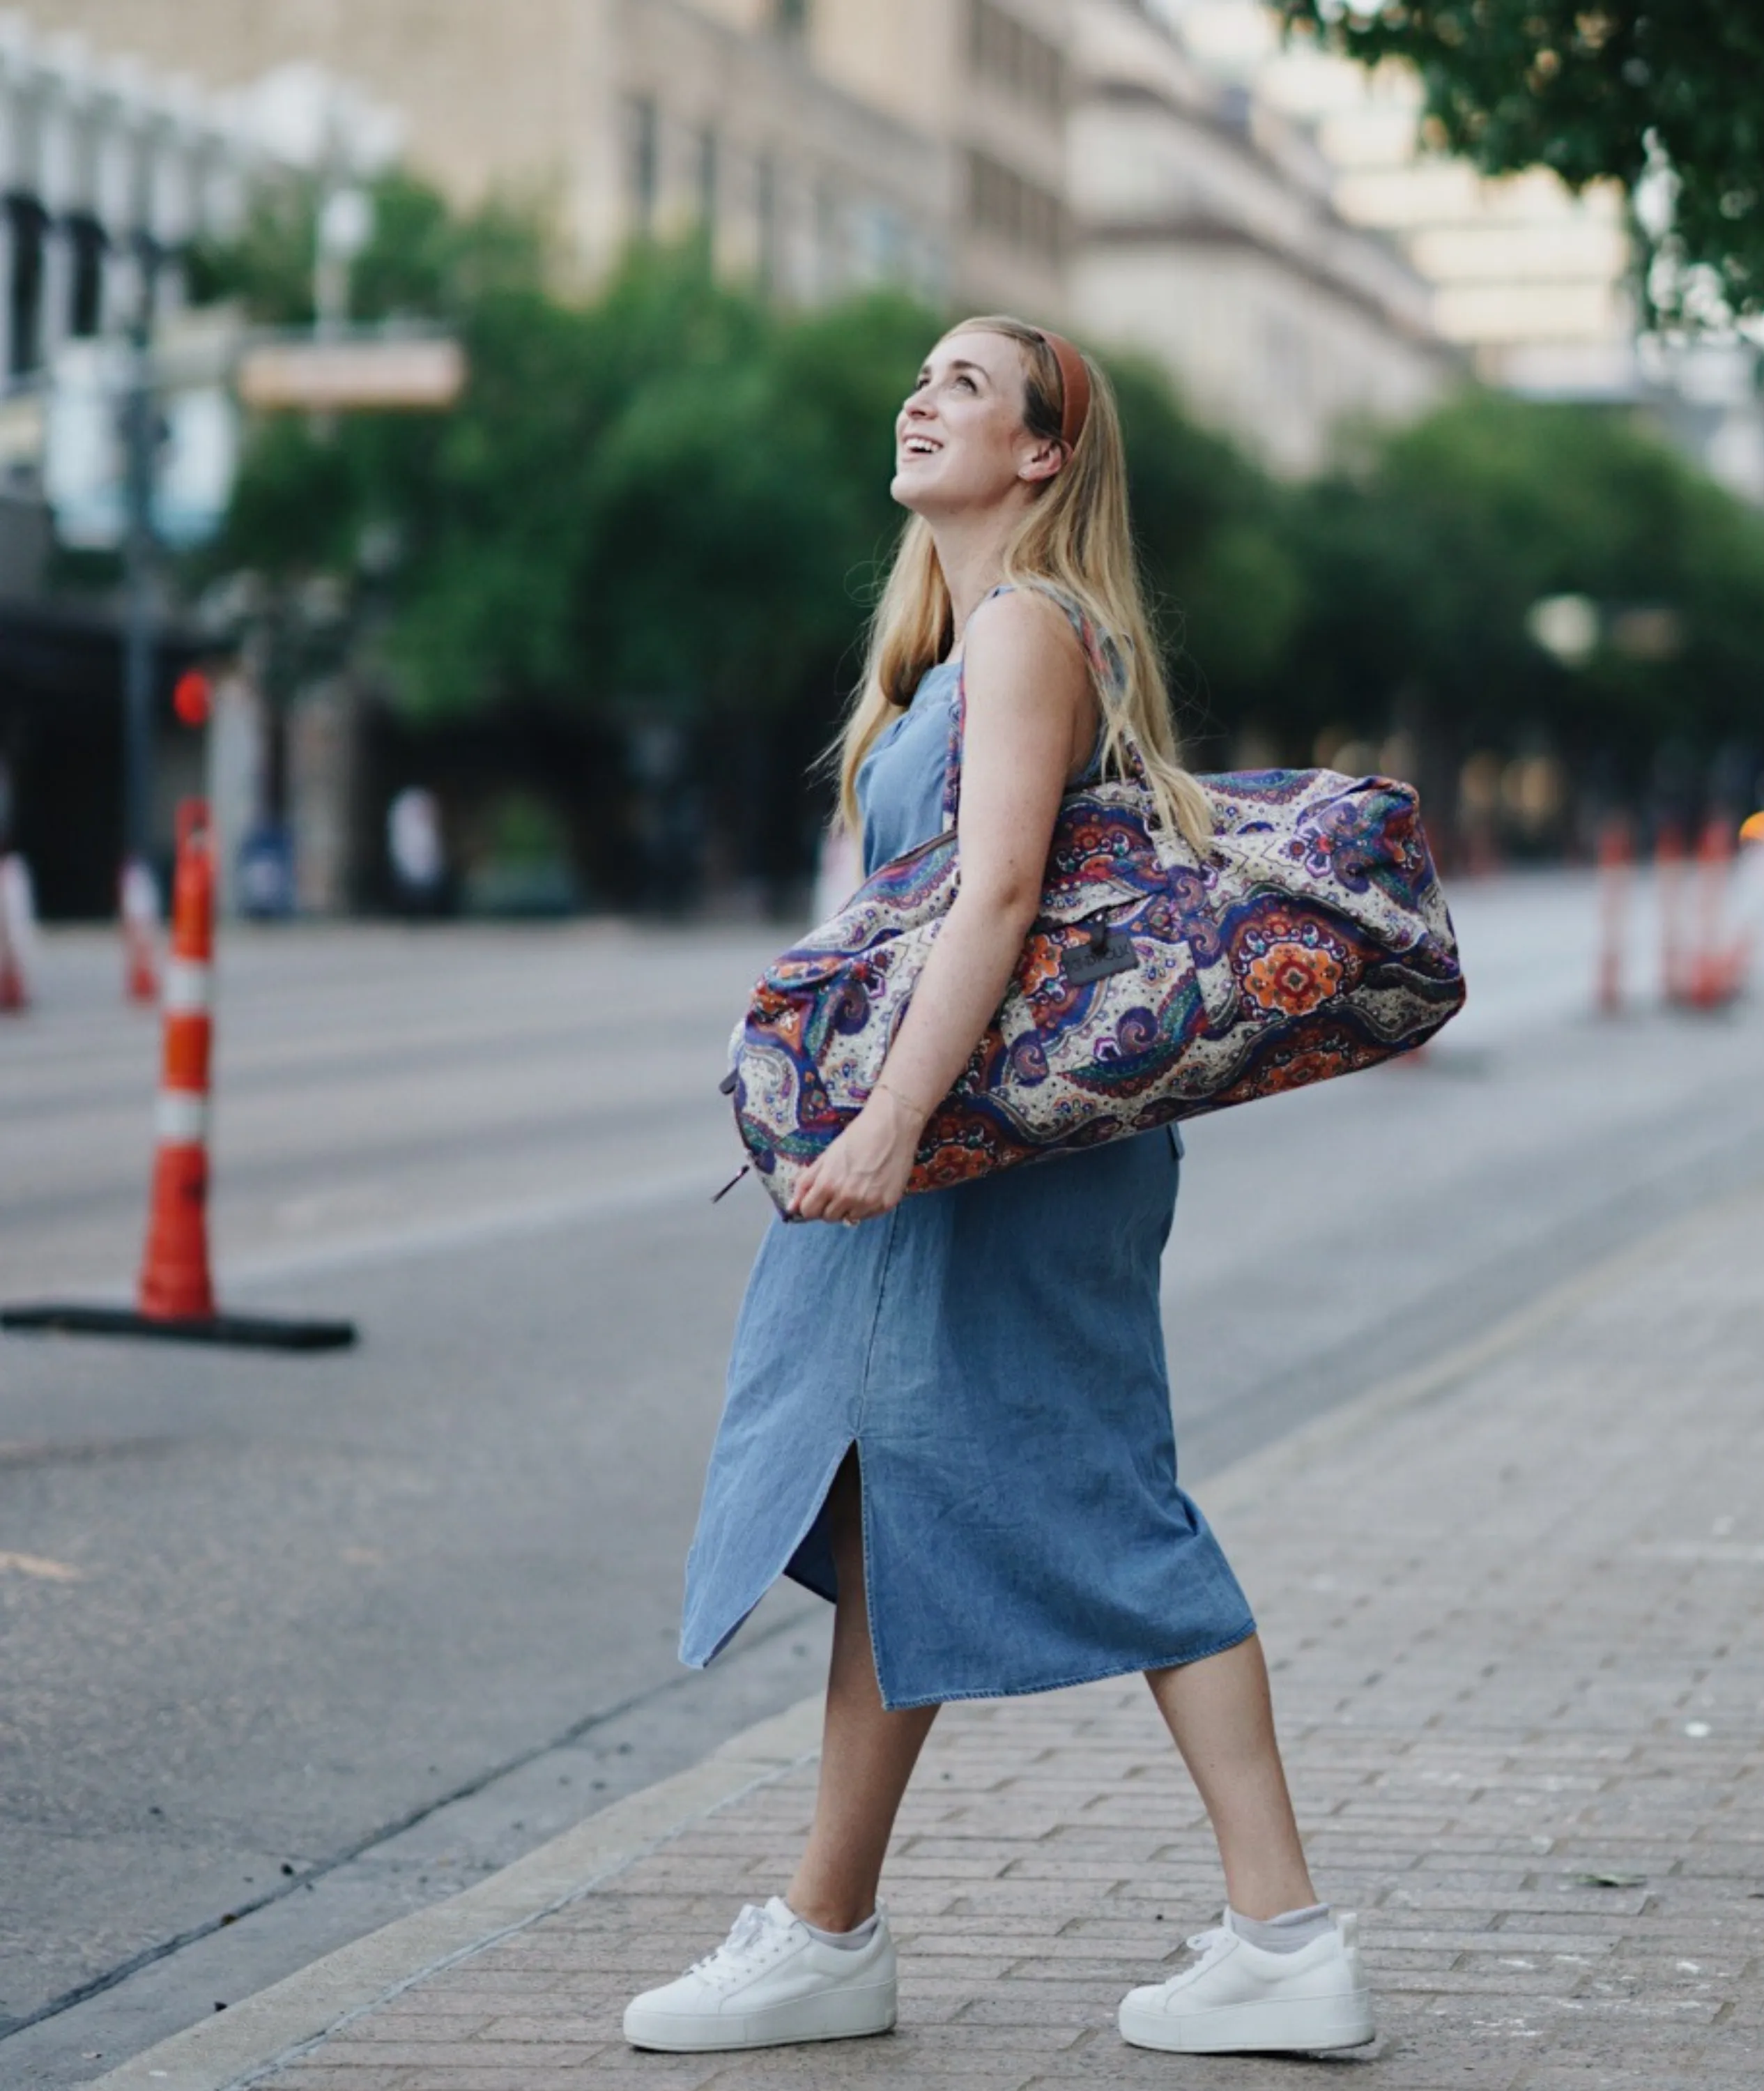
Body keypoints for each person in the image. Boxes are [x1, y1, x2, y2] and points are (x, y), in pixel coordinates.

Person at [624, 318, 1374, 2058]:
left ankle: (1284, 1934)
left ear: (1043, 456)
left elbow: (999, 894)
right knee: (901, 1494)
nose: (923, 397)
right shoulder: (952, 651)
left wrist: (886, 1126)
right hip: (971, 1145)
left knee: (1102, 1502)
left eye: (968, 386)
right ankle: (830, 1929)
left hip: (986, 1159)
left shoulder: (1033, 626)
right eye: (922, 376)